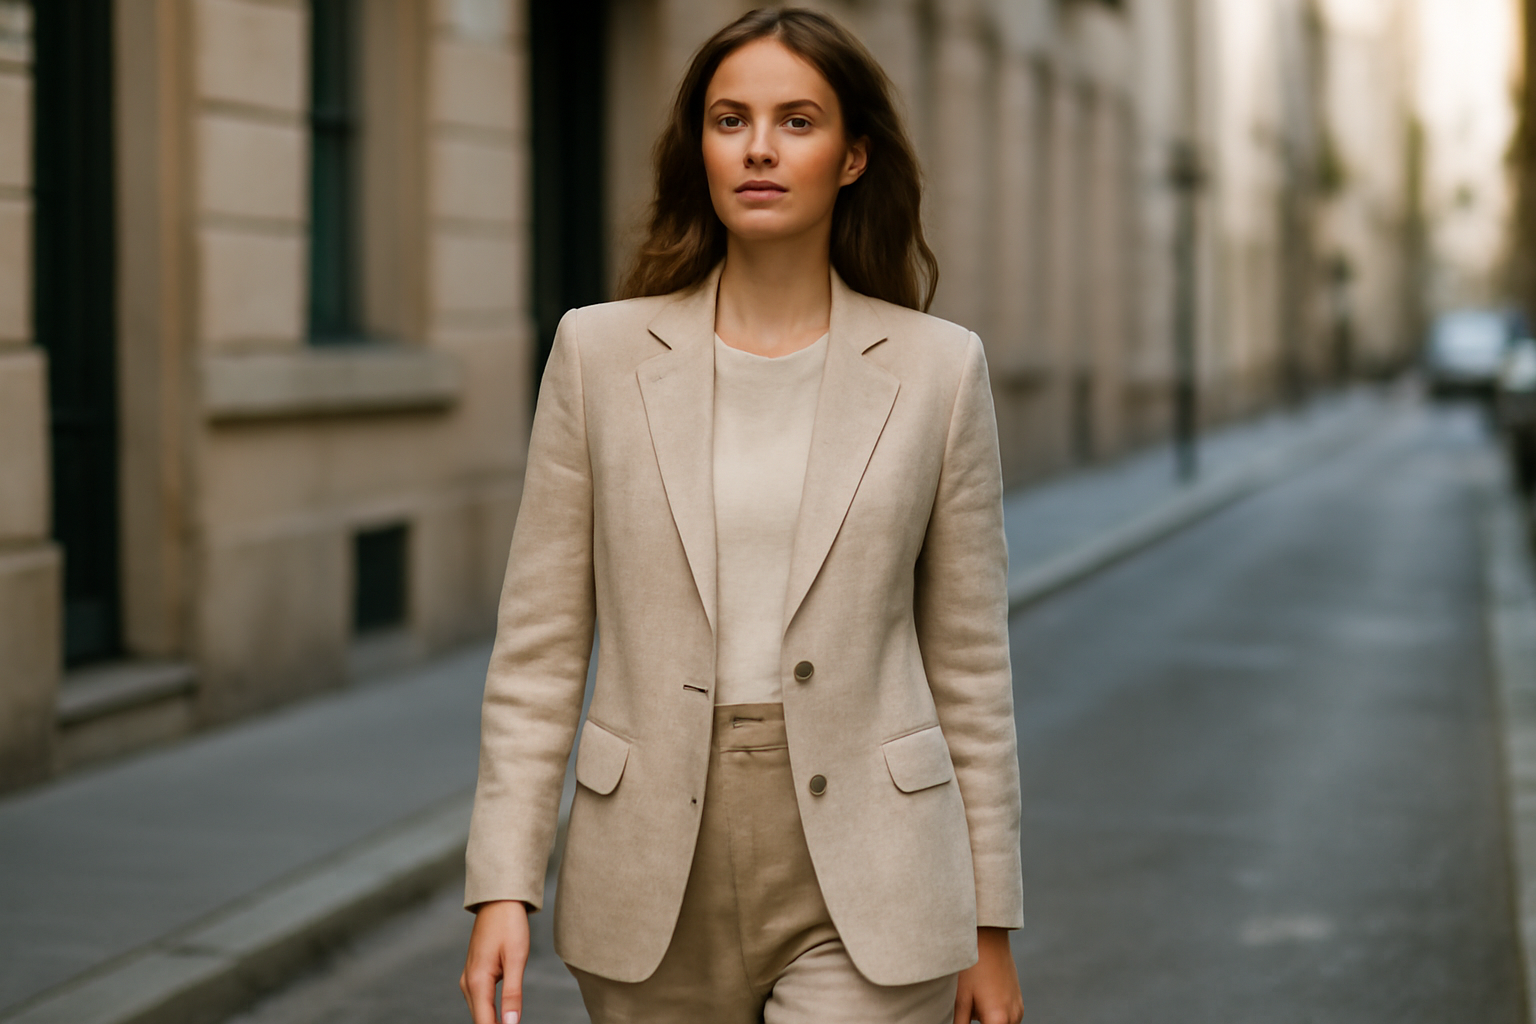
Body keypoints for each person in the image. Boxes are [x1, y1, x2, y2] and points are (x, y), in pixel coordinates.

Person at [459, 8, 1024, 1024]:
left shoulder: (941, 371)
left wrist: (989, 924)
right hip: (648, 868)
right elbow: (538, 651)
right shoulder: (598, 356)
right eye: (731, 120)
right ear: (701, 148)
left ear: (853, 157)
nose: (759, 147)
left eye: (796, 121)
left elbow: (972, 670)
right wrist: (503, 882)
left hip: (875, 868)